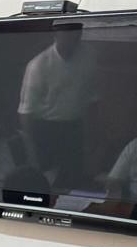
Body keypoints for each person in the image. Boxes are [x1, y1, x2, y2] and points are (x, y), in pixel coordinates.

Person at [18, 24, 97, 190]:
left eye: (76, 35)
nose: (72, 39)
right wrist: (31, 151)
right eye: (67, 35)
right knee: (46, 182)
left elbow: (93, 99)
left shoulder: (89, 57)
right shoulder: (39, 65)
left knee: (72, 180)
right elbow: (26, 113)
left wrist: (92, 139)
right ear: (57, 34)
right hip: (46, 129)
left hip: (75, 127)